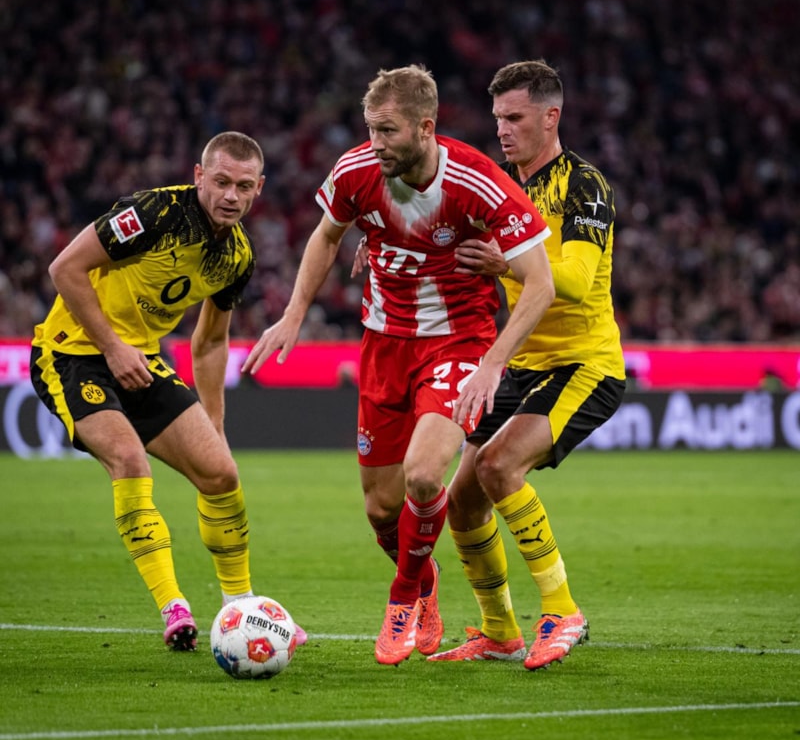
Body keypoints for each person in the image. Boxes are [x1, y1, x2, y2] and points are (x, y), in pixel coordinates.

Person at [241, 65, 555, 665]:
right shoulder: (356, 170)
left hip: (457, 344)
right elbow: (326, 236)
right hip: (384, 346)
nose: (375, 142)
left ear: (425, 128)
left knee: (424, 477)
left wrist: (492, 364)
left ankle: (403, 597)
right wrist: (293, 314)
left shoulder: (477, 182)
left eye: (387, 131)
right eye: (370, 129)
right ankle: (427, 582)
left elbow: (540, 284)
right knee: (382, 508)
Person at [30, 131, 306, 651]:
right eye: (221, 181)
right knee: (129, 459)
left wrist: (215, 424)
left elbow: (211, 341)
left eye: (243, 186)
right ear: (199, 176)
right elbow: (64, 268)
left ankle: (240, 608)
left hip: (142, 360)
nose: (231, 195)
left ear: (259, 188)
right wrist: (112, 347)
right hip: (72, 354)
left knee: (221, 473)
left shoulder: (237, 256)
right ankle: (173, 606)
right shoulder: (154, 213)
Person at [425, 59, 626, 669]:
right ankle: (499, 631)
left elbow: (576, 280)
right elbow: (443, 232)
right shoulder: (499, 187)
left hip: (583, 365)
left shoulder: (584, 185)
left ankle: (562, 611)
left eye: (514, 118)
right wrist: (380, 246)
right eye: (497, 118)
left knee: (498, 464)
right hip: (519, 364)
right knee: (460, 499)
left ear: (550, 117)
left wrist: (504, 263)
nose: (502, 130)